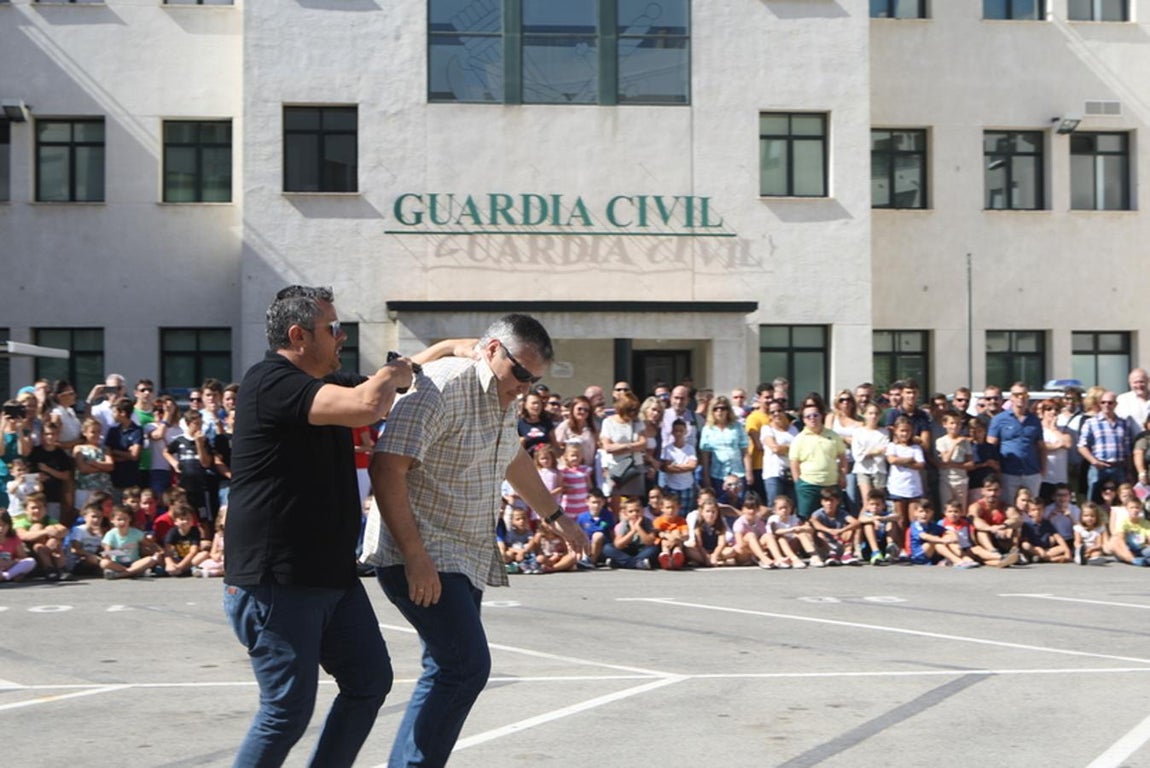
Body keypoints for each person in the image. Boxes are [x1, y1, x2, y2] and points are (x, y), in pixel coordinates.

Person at [223, 284, 464, 768]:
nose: (341, 338)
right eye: (332, 329)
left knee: (369, 681)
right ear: (298, 336)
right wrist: (395, 373)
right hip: (277, 581)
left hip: (331, 577)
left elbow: (384, 384)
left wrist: (448, 349)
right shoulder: (270, 382)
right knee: (286, 711)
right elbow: (369, 403)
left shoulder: (327, 385)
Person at [367, 313, 585, 768]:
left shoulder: (504, 398)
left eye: (534, 379)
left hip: (466, 552)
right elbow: (387, 469)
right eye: (520, 372)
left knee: (444, 669)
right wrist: (415, 557)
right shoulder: (441, 385)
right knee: (467, 667)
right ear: (491, 350)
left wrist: (556, 516)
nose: (524, 387)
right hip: (423, 550)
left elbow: (513, 459)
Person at [987, 382, 1045, 504]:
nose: (1020, 398)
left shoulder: (1034, 420)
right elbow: (990, 446)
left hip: (1031, 472)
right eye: (1017, 395)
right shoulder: (999, 419)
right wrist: (995, 470)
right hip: (1008, 472)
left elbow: (1041, 447)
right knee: (1009, 506)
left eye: (1024, 394)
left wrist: (1043, 469)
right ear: (1011, 397)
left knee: (1032, 507)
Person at [789, 401, 847, 521]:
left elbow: (842, 456)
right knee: (806, 519)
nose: (812, 418)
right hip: (808, 485)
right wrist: (798, 483)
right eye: (808, 416)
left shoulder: (833, 435)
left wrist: (842, 475)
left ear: (821, 416)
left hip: (831, 484)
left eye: (815, 415)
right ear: (803, 420)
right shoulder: (799, 439)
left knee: (832, 519)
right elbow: (794, 463)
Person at [1078, 390, 1131, 503]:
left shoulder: (1123, 423)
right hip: (1099, 467)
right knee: (1093, 500)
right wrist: (1094, 461)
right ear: (1099, 404)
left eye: (1110, 402)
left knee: (1121, 500)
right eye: (1103, 402)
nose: (1106, 405)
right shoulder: (1091, 423)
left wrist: (1128, 470)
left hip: (1118, 467)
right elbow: (1082, 446)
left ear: (1115, 404)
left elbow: (1127, 449)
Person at [885, 416, 926, 557]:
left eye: (907, 431)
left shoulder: (916, 447)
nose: (904, 434)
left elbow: (920, 464)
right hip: (897, 488)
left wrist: (901, 462)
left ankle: (912, 548)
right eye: (902, 431)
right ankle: (900, 548)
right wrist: (908, 460)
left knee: (913, 520)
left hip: (913, 488)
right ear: (896, 431)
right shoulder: (892, 446)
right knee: (900, 520)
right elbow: (891, 459)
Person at [600, 391, 648, 510]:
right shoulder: (608, 422)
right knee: (615, 500)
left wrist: (621, 447)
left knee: (635, 503)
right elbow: (607, 447)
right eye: (629, 410)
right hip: (616, 467)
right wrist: (631, 446)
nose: (632, 414)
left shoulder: (637, 422)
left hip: (635, 466)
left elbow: (643, 444)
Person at [699, 395, 751, 502]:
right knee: (721, 505)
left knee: (741, 503)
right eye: (716, 409)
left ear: (728, 410)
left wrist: (749, 472)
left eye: (723, 408)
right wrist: (706, 478)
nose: (719, 411)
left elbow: (745, 451)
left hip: (738, 472)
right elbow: (705, 456)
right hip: (718, 474)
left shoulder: (737, 427)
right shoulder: (707, 429)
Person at [100, 504, 161, 579]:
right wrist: (107, 555)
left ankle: (122, 574)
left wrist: (158, 551)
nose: (122, 522)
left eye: (125, 519)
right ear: (112, 520)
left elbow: (149, 544)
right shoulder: (110, 534)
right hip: (118, 564)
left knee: (151, 559)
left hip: (134, 562)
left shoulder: (136, 533)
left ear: (130, 519)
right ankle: (131, 572)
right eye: (119, 519)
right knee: (104, 563)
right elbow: (107, 551)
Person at [603, 495, 659, 570]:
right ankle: (636, 563)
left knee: (654, 549)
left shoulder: (648, 522)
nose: (634, 514)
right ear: (626, 513)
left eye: (637, 511)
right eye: (631, 511)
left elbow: (649, 542)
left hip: (641, 550)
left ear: (642, 511)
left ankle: (620, 563)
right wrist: (632, 531)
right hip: (626, 549)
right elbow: (618, 545)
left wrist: (638, 527)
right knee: (607, 548)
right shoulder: (624, 524)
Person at [659, 418, 698, 513]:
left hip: (687, 486)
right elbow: (666, 468)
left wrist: (674, 466)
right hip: (671, 487)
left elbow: (692, 466)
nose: (678, 433)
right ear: (672, 432)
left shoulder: (690, 448)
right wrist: (684, 467)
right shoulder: (667, 449)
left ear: (685, 431)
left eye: (681, 431)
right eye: (676, 431)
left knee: (686, 514)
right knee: (670, 513)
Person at [574, 487, 614, 566]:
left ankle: (591, 561)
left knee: (598, 535)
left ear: (603, 502)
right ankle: (583, 559)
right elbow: (577, 534)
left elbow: (612, 532)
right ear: (587, 502)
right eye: (593, 502)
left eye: (599, 502)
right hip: (586, 546)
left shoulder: (608, 516)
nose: (596, 505)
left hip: (603, 547)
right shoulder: (582, 518)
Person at [653, 493, 688, 570]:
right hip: (662, 544)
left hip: (677, 542)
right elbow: (657, 532)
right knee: (665, 540)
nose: (671, 510)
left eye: (673, 507)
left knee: (676, 532)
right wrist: (667, 536)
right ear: (662, 508)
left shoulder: (681, 520)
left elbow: (686, 535)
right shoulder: (658, 521)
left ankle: (677, 555)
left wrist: (678, 537)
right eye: (668, 508)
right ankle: (665, 556)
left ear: (678, 508)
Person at [0, 511, 37, 583]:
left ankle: (6, 576)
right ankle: (13, 576)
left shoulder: (14, 538)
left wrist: (12, 562)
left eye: (4, 525)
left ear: (9, 525)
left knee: (31, 561)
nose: (1, 529)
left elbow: (22, 557)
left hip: (9, 567)